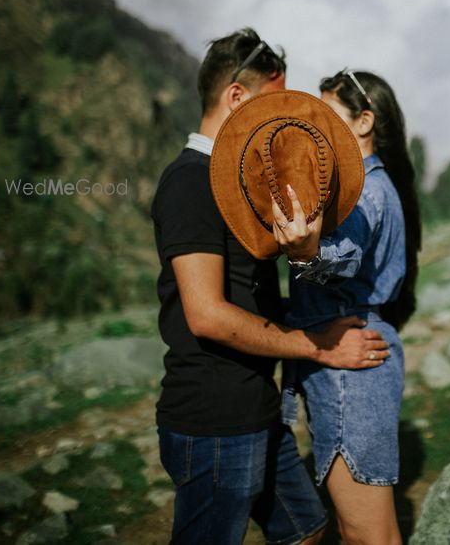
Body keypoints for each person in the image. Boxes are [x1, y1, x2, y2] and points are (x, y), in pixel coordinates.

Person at [151, 29, 390, 545]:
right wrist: (318, 346)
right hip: (213, 415)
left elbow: (248, 292)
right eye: (271, 100)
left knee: (306, 530)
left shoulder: (233, 179)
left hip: (256, 405)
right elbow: (208, 315)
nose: (280, 118)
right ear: (236, 96)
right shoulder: (190, 182)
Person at [274, 69, 422, 545]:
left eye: (327, 115)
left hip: (348, 364)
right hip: (358, 351)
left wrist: (304, 254)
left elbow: (343, 259)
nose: (315, 126)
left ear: (363, 121)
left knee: (366, 536)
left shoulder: (364, 192)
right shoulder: (377, 186)